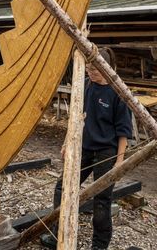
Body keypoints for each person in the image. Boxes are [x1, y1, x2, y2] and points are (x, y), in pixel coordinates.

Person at [41, 48, 132, 250]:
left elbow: (123, 132)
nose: (91, 73)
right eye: (89, 69)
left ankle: (99, 245)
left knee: (101, 199)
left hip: (106, 152)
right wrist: (66, 143)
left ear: (107, 68)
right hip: (83, 148)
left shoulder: (118, 92)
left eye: (95, 69)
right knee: (62, 187)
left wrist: (119, 161)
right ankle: (58, 233)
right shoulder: (85, 86)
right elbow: (75, 117)